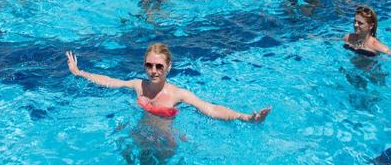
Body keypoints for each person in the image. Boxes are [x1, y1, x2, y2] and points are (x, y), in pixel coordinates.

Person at [66, 44, 270, 122]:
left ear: (169, 67)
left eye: (159, 66)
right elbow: (111, 81)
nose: (153, 71)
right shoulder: (138, 85)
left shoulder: (178, 94)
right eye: (149, 65)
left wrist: (245, 117)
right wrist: (79, 72)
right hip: (139, 136)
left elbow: (211, 109)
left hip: (164, 143)